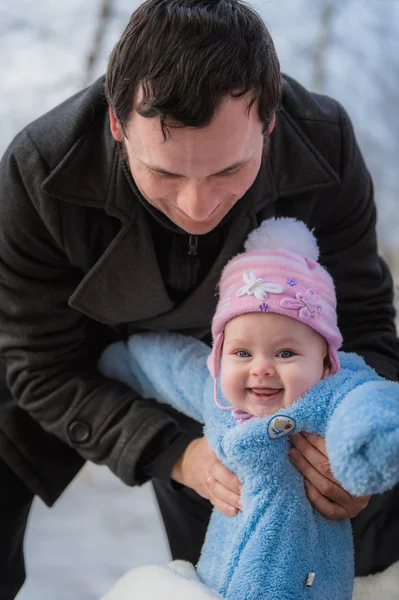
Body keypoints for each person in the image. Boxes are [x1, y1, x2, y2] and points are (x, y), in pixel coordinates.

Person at [0, 0, 398, 597]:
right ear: (116, 124)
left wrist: (348, 450)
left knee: (266, 549)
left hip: (255, 362)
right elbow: (36, 362)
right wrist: (174, 453)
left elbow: (366, 324)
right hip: (84, 357)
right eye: (163, 173)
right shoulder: (38, 169)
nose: (196, 206)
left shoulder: (326, 143)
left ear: (269, 121)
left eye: (227, 171)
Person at [97, 218, 399, 600]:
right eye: (242, 352)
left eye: (285, 353)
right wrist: (119, 361)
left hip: (307, 584)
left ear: (325, 360)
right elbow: (166, 366)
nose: (261, 368)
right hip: (220, 579)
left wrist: (368, 453)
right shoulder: (217, 391)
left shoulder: (328, 394)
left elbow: (371, 405)